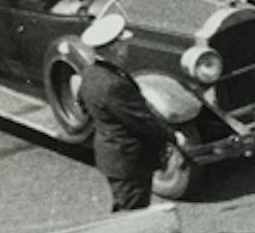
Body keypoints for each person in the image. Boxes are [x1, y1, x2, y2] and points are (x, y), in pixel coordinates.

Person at [76, 15, 181, 212]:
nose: (127, 49)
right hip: (129, 160)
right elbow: (142, 121)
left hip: (114, 156)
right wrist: (172, 136)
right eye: (123, 44)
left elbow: (83, 104)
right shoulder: (114, 84)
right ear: (113, 48)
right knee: (133, 212)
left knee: (125, 205)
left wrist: (107, 125)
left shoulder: (90, 74)